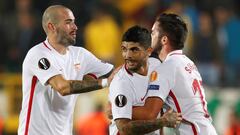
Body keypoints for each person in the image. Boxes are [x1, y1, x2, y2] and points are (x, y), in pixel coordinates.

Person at [18, 5, 114, 135]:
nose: (75, 27)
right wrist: (105, 82)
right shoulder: (38, 54)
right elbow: (63, 88)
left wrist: (145, 56)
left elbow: (116, 73)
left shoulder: (80, 54)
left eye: (74, 22)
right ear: (52, 27)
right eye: (68, 22)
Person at [132, 13, 218, 135]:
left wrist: (118, 109)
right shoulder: (188, 63)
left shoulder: (166, 69)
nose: (149, 37)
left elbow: (149, 114)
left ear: (164, 39)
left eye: (153, 33)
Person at [109, 25, 182, 135]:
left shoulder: (157, 66)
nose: (127, 55)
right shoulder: (121, 83)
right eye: (124, 49)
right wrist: (161, 122)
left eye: (134, 50)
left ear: (148, 51)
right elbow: (124, 129)